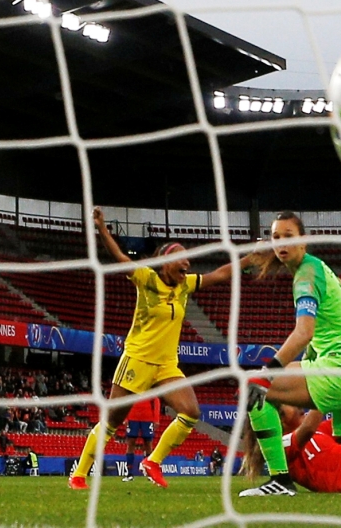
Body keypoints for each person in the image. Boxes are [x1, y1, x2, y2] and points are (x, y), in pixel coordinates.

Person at [69, 207, 249, 491]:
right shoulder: (147, 279)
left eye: (188, 262)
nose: (187, 266)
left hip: (166, 364)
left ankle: (152, 461)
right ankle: (79, 473)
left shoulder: (184, 286)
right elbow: (119, 258)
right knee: (113, 421)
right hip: (138, 359)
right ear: (166, 263)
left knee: (190, 411)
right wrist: (102, 228)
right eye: (182, 261)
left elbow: (221, 274)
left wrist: (252, 258)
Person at [240, 211, 341, 497]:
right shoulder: (319, 268)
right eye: (276, 237)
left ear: (304, 241)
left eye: (288, 236)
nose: (281, 243)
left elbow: (303, 332)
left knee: (253, 385)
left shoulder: (306, 276)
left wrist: (269, 373)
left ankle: (280, 481)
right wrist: (320, 347)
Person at [122, 396, 160, 482]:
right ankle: (129, 474)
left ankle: (150, 473)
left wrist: (156, 418)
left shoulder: (149, 385)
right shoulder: (131, 384)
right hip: (132, 416)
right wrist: (125, 417)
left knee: (148, 444)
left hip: (147, 417)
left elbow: (156, 399)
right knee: (131, 443)